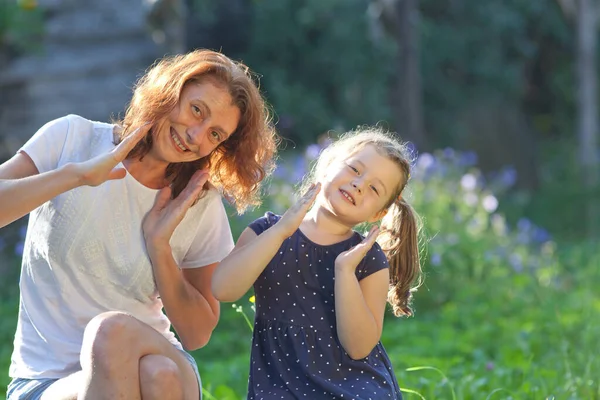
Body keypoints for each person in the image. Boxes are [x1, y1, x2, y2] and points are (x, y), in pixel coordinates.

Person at [1, 49, 277, 400]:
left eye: (215, 135)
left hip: (159, 358)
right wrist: (76, 176)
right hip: (46, 382)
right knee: (150, 369)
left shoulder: (196, 203)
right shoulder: (71, 139)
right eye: (196, 110)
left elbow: (197, 334)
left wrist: (160, 247)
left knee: (126, 343)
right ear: (170, 89)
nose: (196, 136)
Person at [212, 127, 424, 399]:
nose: (359, 184)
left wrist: (345, 271)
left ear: (378, 213)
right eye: (354, 170)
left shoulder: (368, 260)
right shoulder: (266, 230)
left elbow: (359, 348)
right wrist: (280, 232)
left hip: (354, 389)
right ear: (327, 165)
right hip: (279, 387)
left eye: (374, 188)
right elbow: (222, 289)